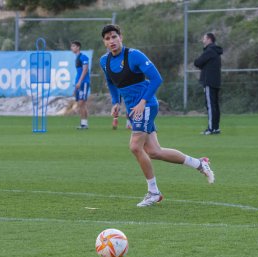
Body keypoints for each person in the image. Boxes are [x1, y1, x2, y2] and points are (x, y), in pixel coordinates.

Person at [99, 24, 215, 207]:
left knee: (135, 146)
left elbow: (156, 78)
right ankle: (199, 164)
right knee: (154, 151)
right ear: (104, 42)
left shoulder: (134, 55)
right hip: (133, 109)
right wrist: (116, 102)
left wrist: (143, 101)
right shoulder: (104, 61)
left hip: (145, 105)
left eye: (114, 37)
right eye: (107, 39)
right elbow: (111, 83)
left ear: (121, 37)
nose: (111, 41)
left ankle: (153, 192)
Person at [194, 32, 223, 135]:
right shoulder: (215, 51)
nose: (203, 40)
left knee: (210, 105)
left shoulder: (209, 51)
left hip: (209, 82)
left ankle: (211, 128)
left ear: (209, 39)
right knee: (215, 105)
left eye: (204, 38)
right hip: (216, 81)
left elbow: (197, 62)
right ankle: (216, 128)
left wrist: (201, 65)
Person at [71, 40, 90, 129]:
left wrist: (80, 81)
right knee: (81, 103)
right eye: (72, 46)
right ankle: (84, 123)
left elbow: (85, 70)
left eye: (74, 46)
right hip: (79, 83)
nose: (72, 48)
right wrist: (76, 85)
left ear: (78, 47)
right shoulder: (77, 57)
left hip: (84, 82)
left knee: (82, 103)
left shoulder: (83, 57)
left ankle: (84, 124)